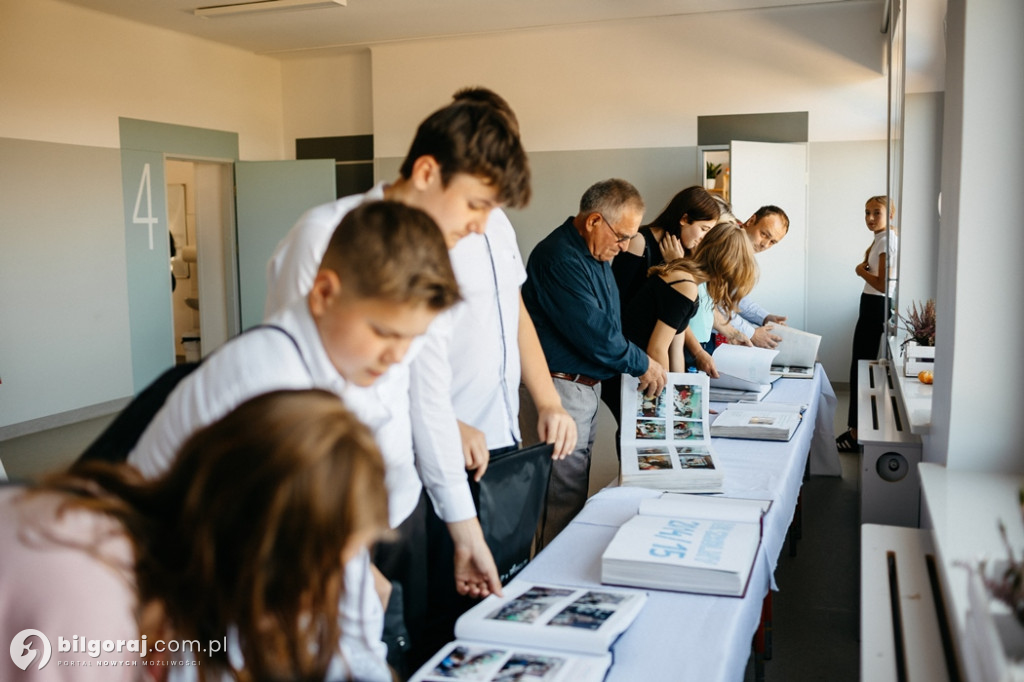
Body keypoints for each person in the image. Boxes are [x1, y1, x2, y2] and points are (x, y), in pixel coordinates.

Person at [127, 200, 461, 671]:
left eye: (412, 339)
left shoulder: (339, 374)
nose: (397, 357)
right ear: (324, 292)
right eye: (385, 332)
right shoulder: (268, 390)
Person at [262, 88, 533, 668]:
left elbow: (426, 396)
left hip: (401, 504)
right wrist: (346, 562)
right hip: (332, 520)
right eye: (477, 205)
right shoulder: (326, 236)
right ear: (428, 172)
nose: (484, 227)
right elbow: (296, 412)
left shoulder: (427, 255)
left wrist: (465, 532)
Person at [1, 390, 392, 681]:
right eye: (325, 566)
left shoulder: (180, 578)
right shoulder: (89, 588)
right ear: (265, 546)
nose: (325, 591)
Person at [521, 178, 667, 549]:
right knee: (557, 499)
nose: (623, 247)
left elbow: (609, 323)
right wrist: (643, 363)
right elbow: (595, 332)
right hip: (559, 387)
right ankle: (548, 583)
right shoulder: (559, 257)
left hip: (581, 387)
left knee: (569, 494)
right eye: (621, 237)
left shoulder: (596, 253)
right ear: (593, 221)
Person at [604, 222, 759, 423]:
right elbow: (658, 349)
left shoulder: (687, 278)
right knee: (639, 437)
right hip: (630, 369)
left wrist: (684, 402)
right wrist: (671, 401)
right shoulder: (684, 285)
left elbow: (676, 344)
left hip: (637, 366)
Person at [836, 195, 896, 452]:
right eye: (867, 213)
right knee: (861, 366)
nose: (870, 218)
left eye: (876, 213)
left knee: (860, 366)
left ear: (890, 214)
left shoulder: (887, 241)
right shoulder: (883, 238)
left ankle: (856, 432)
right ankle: (856, 429)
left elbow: (882, 284)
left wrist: (860, 271)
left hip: (876, 305)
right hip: (872, 305)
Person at [712, 205, 791, 349]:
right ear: (751, 220)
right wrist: (752, 333)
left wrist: (764, 318)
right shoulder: (727, 242)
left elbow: (734, 297)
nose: (765, 245)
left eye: (772, 242)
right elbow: (716, 302)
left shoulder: (743, 249)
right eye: (764, 234)